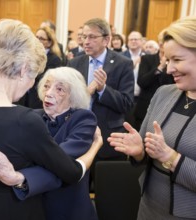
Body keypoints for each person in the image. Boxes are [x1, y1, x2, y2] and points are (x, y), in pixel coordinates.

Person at [0, 19, 100, 220]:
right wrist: (95, 147)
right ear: (23, 70)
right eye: (34, 77)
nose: (32, 86)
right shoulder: (25, 120)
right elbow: (70, 173)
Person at [0, 66, 100, 220]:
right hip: (33, 207)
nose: (49, 93)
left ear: (74, 97)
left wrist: (21, 178)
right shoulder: (33, 116)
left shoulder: (83, 118)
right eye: (46, 86)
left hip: (67, 208)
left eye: (60, 89)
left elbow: (61, 163)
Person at [108, 16, 196, 219]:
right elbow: (145, 152)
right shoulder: (164, 93)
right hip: (148, 208)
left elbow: (165, 154)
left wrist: (171, 158)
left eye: (177, 60)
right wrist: (139, 152)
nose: (168, 69)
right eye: (166, 59)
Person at [67, 17, 134, 161]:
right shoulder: (74, 63)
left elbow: (127, 103)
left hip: (108, 138)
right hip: (77, 135)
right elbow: (67, 99)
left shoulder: (123, 64)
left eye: (92, 37)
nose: (86, 41)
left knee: (105, 182)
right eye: (84, 36)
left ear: (106, 40)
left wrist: (103, 89)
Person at [134, 32, 174, 130]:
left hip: (166, 107)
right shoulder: (147, 59)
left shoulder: (174, 61)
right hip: (145, 107)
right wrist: (160, 67)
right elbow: (142, 82)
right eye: (161, 42)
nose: (162, 44)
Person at [18, 26, 62, 109]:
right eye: (36, 37)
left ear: (49, 43)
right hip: (23, 97)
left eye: (41, 38)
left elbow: (46, 79)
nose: (37, 40)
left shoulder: (54, 59)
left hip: (38, 98)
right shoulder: (28, 54)